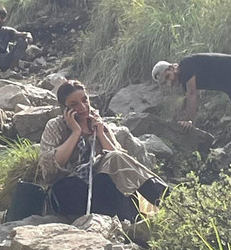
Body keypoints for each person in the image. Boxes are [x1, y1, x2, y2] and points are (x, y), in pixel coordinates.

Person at [39, 80, 168, 221]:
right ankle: (168, 199)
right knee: (114, 161)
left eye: (85, 100)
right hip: (69, 190)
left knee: (116, 164)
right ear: (64, 108)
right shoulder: (55, 126)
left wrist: (100, 133)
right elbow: (50, 167)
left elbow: (120, 159)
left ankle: (156, 209)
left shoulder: (97, 123)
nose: (82, 107)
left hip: (100, 187)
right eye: (74, 104)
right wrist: (76, 132)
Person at [0, 6, 32, 72]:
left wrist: (28, 35)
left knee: (23, 40)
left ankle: (13, 67)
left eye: (2, 18)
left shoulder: (8, 31)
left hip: (6, 59)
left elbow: (22, 34)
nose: (0, 20)